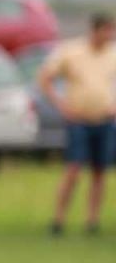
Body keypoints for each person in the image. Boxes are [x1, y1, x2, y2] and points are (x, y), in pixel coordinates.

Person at [39, 13, 116, 235]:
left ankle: (92, 221)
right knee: (73, 169)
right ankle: (58, 219)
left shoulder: (112, 54)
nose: (111, 36)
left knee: (99, 172)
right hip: (79, 120)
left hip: (104, 120)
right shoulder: (72, 52)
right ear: (95, 30)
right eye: (107, 30)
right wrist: (61, 105)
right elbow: (45, 78)